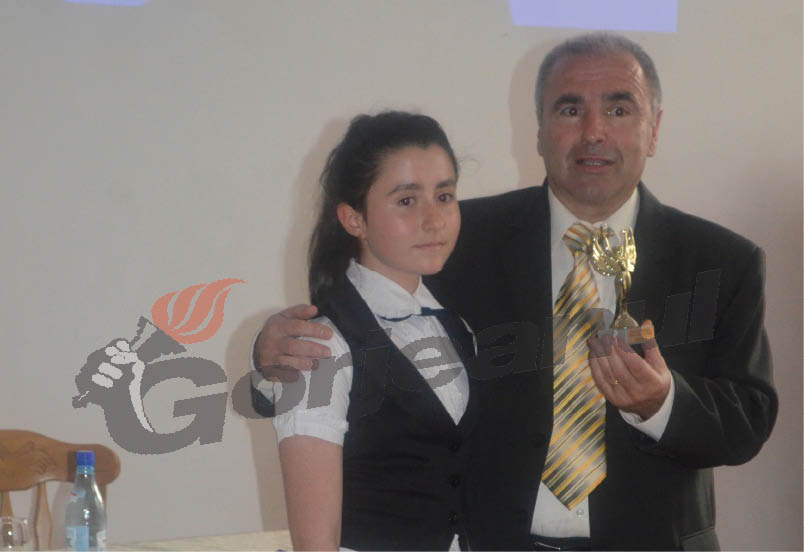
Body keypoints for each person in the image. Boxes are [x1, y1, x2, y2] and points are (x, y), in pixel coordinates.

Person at [253, 34, 777, 550]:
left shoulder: (721, 261)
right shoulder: (455, 240)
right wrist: (272, 361)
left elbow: (749, 416)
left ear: (654, 128)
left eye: (618, 110)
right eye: (570, 110)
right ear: (539, 130)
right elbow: (363, 343)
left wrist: (663, 403)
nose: (593, 131)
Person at [267, 111, 480, 550]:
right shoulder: (318, 348)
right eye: (406, 200)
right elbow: (315, 543)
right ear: (354, 219)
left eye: (444, 196)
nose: (433, 219)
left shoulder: (457, 326)